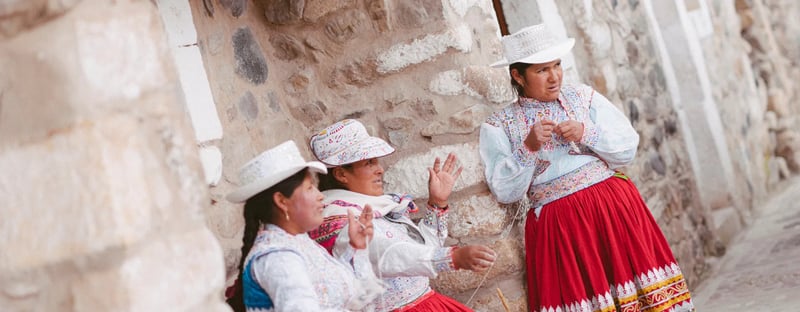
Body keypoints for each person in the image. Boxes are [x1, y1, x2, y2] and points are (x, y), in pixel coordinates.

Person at [480, 24, 695, 311]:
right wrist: (528, 147)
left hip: (612, 210)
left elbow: (627, 147)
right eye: (542, 70)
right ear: (518, 75)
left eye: (557, 65)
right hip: (561, 229)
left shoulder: (582, 97)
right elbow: (505, 191)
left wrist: (586, 132)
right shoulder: (498, 126)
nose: (554, 77)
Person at [307, 119, 497, 312]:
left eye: (376, 161)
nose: (380, 169)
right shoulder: (340, 221)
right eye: (369, 163)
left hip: (429, 303)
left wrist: (437, 203)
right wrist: (452, 257)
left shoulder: (375, 208)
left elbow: (423, 249)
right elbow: (387, 255)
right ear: (341, 174)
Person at [225, 140, 384, 312]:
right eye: (309, 188)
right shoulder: (279, 258)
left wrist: (357, 247)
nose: (320, 196)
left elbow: (349, 296)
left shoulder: (300, 242)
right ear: (281, 201)